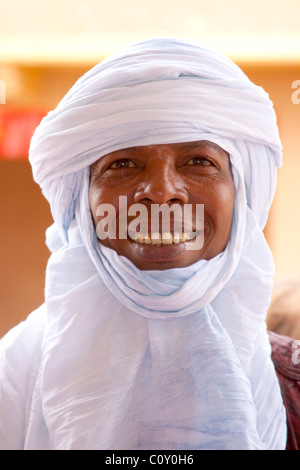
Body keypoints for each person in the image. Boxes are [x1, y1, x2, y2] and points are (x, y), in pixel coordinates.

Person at [0, 38, 289, 450]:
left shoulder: (291, 384)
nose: (160, 191)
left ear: (242, 196)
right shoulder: (10, 379)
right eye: (122, 164)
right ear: (80, 205)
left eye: (199, 161)